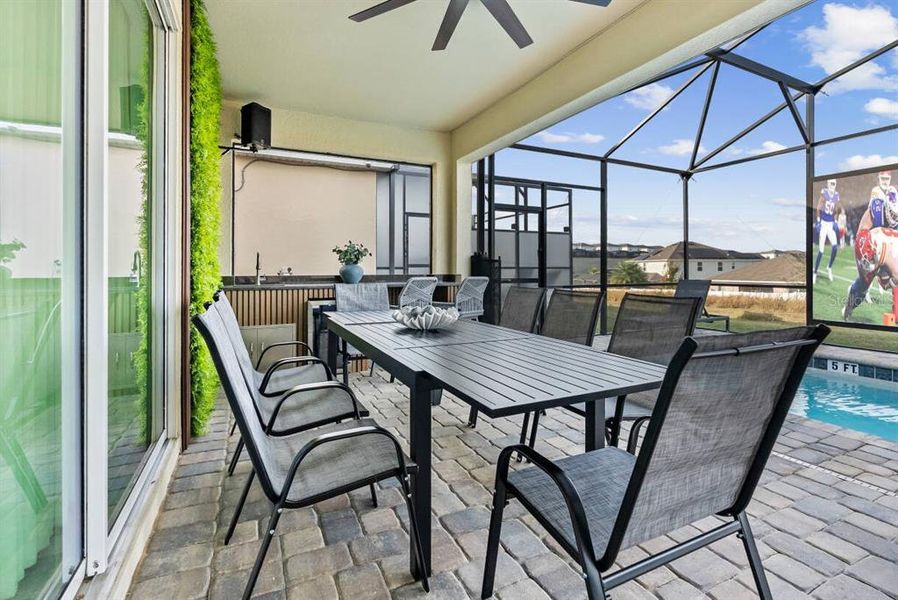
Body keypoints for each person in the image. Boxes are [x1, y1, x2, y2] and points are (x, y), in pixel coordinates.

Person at [843, 226, 898, 320]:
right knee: (863, 284)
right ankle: (849, 305)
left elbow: (896, 276)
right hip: (878, 248)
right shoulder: (867, 238)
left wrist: (886, 284)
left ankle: (851, 303)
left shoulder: (888, 254)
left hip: (887, 253)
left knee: (884, 281)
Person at [814, 178, 841, 284]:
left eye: (834, 184)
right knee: (821, 250)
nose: (832, 185)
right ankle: (815, 272)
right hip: (824, 223)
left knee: (835, 247)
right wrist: (818, 221)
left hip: (830, 224)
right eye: (831, 183)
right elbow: (818, 208)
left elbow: (837, 209)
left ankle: (829, 267)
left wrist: (836, 221)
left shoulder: (836, 195)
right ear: (828, 184)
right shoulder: (824, 193)